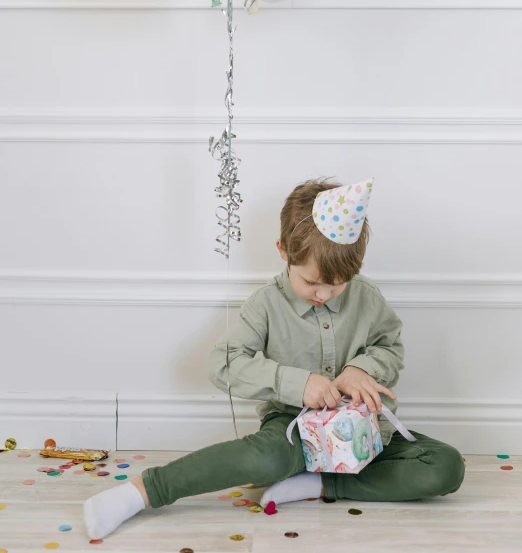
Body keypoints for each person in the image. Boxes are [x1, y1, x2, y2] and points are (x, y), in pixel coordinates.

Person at [83, 176, 465, 540]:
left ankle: (320, 482)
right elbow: (224, 363)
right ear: (283, 251)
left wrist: (359, 369)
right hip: (292, 431)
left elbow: (390, 347)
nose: (324, 294)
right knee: (267, 460)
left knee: (445, 466)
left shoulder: (367, 297)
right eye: (312, 283)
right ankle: (141, 492)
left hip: (363, 434)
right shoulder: (265, 305)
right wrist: (298, 384)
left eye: (336, 285)